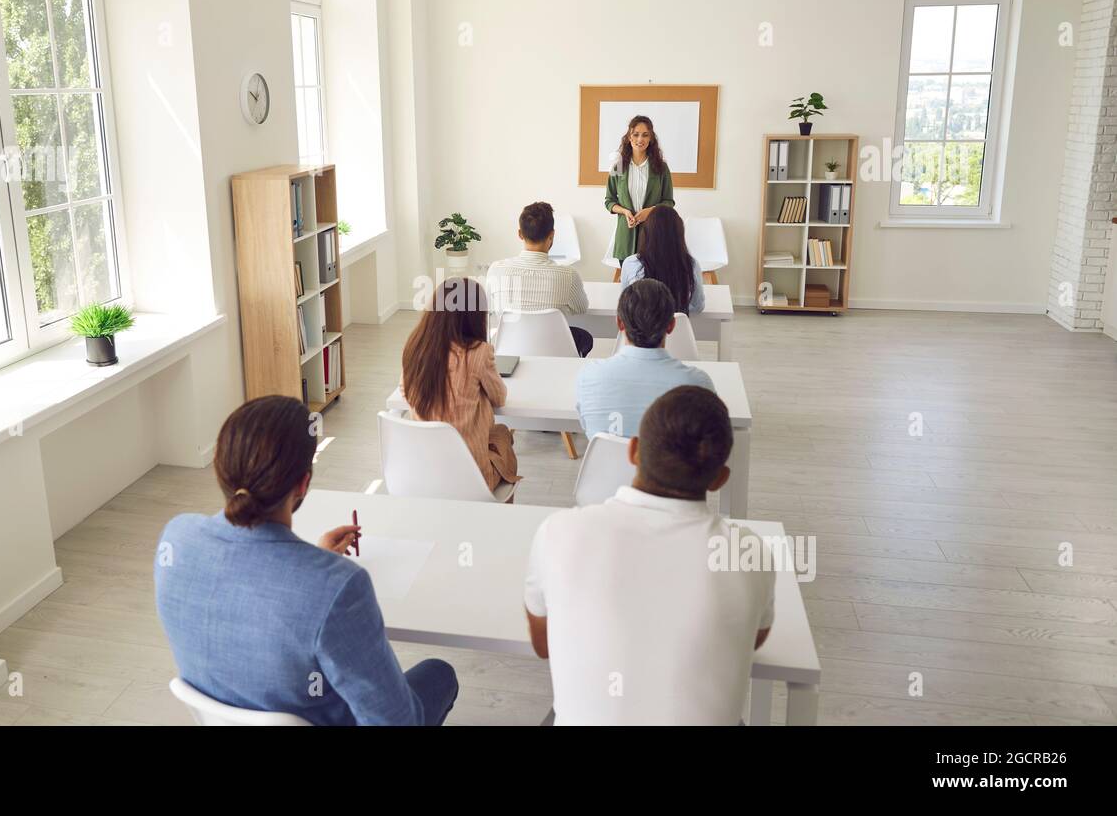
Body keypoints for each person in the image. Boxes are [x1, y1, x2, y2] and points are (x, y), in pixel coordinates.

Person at [155, 396, 458, 726]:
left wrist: (318, 565)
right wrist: (322, 577)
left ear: (219, 467)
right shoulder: (340, 587)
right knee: (439, 674)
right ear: (303, 483)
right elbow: (395, 722)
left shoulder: (176, 539)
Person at [523, 386, 775, 725]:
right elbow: (751, 640)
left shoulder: (558, 532)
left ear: (633, 451)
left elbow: (544, 646)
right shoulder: (751, 554)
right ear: (720, 479)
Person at [400, 277, 519, 493]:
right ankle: (502, 517)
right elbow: (499, 398)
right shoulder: (478, 352)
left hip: (423, 473)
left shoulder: (415, 347)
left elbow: (404, 391)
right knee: (502, 434)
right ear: (475, 317)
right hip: (471, 480)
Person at [576, 278, 714, 437]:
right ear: (671, 325)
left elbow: (587, 427)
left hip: (607, 462)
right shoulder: (698, 384)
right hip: (665, 462)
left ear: (620, 323)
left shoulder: (588, 376)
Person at [485, 201, 593, 357]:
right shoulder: (568, 275)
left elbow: (491, 308)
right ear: (552, 235)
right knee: (583, 337)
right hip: (555, 353)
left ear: (520, 234)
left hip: (509, 351)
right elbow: (581, 308)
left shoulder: (495, 270)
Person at [604, 115, 676, 278]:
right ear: (629, 137)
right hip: (626, 236)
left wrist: (650, 211)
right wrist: (624, 211)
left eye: (645, 134)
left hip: (653, 235)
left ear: (651, 138)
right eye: (636, 134)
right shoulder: (618, 166)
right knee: (629, 285)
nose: (640, 139)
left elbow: (669, 202)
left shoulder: (661, 168)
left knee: (652, 284)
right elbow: (609, 201)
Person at [619, 206, 706, 315]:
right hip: (677, 330)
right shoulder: (691, 264)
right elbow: (698, 306)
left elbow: (624, 306)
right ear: (679, 234)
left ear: (646, 233)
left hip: (639, 329)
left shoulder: (631, 263)